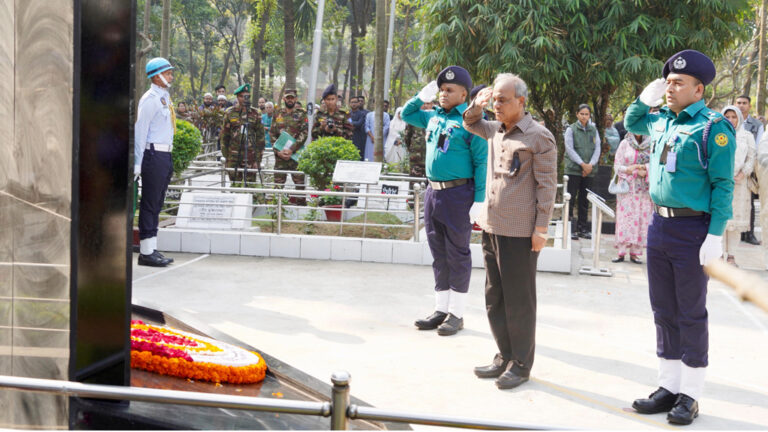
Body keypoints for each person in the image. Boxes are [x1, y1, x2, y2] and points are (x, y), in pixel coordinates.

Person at [625, 49, 735, 426]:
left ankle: (691, 394)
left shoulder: (712, 128)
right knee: (663, 309)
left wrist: (714, 236)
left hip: (693, 230)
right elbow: (632, 121)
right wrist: (645, 97)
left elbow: (722, 186)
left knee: (690, 312)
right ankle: (668, 386)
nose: (670, 88)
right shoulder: (660, 122)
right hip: (659, 226)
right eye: (668, 82)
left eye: (678, 83)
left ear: (699, 89)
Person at [463, 74, 557, 390]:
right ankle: (504, 355)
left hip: (519, 231)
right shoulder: (495, 130)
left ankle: (521, 363)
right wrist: (477, 105)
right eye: (495, 99)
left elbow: (547, 187)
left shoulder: (538, 136)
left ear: (521, 101)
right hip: (492, 225)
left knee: (520, 299)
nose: (498, 105)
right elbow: (471, 124)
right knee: (495, 295)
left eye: (503, 99)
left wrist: (541, 229)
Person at [402, 66, 487, 336]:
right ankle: (441, 309)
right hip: (433, 193)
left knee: (457, 253)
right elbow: (406, 114)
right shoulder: (433, 117)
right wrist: (421, 95)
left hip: (459, 194)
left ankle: (457, 313)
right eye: (441, 90)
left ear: (464, 94)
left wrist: (479, 200)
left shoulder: (472, 122)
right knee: (438, 252)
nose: (443, 94)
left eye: (449, 90)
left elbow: (482, 162)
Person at [134, 57, 177, 267]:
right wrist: (137, 162)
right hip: (153, 155)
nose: (171, 76)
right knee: (150, 203)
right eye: (167, 73)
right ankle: (145, 252)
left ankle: (152, 247)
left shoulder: (164, 97)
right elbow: (140, 131)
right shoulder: (150, 99)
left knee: (157, 203)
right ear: (157, 76)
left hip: (164, 155)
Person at [721, 105, 755, 266]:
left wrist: (742, 174)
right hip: (720, 182)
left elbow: (751, 158)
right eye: (727, 116)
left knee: (735, 221)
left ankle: (732, 256)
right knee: (720, 219)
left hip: (740, 184)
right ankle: (719, 254)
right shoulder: (719, 133)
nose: (731, 120)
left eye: (734, 117)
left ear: (740, 118)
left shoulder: (747, 136)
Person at [611, 133, 652, 264]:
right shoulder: (625, 143)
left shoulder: (651, 144)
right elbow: (617, 165)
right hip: (627, 188)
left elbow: (656, 163)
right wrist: (633, 171)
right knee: (625, 218)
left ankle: (635, 252)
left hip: (644, 189)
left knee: (641, 218)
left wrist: (642, 168)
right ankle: (621, 251)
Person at [564, 104, 601, 240]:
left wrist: (590, 165)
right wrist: (582, 164)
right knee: (570, 199)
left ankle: (582, 229)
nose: (584, 116)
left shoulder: (593, 130)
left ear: (590, 115)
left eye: (587, 114)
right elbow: (569, 149)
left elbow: (597, 148)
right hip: (574, 170)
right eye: (582, 114)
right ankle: (569, 229)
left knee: (585, 201)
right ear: (577, 114)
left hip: (589, 170)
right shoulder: (571, 129)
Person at [220, 83, 265, 184]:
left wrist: (258, 160)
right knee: (235, 185)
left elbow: (260, 138)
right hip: (233, 156)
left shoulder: (256, 113)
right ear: (237, 97)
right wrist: (226, 157)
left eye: (247, 96)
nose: (244, 98)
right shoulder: (229, 113)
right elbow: (224, 137)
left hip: (250, 156)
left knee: (250, 186)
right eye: (241, 96)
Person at [270, 89, 308, 201]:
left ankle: (301, 208)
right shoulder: (277, 114)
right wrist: (278, 151)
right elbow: (272, 133)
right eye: (288, 98)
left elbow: (304, 133)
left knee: (300, 184)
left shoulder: (301, 114)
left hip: (296, 155)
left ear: (296, 99)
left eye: (292, 98)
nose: (290, 100)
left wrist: (292, 149)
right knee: (278, 185)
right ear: (284, 99)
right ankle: (277, 209)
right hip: (280, 156)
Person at [734, 95, 762, 246]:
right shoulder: (727, 122)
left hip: (748, 169)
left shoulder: (757, 125)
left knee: (748, 203)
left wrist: (746, 169)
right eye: (738, 103)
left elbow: (757, 148)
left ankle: (748, 233)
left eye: (744, 103)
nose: (741, 105)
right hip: (730, 170)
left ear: (749, 106)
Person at [403, 101, 432, 177]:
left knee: (430, 185)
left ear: (432, 104)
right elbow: (407, 137)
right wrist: (413, 149)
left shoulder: (437, 119)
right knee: (414, 184)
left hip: (431, 160)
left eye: (428, 103)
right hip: (416, 158)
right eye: (423, 103)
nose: (425, 106)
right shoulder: (413, 119)